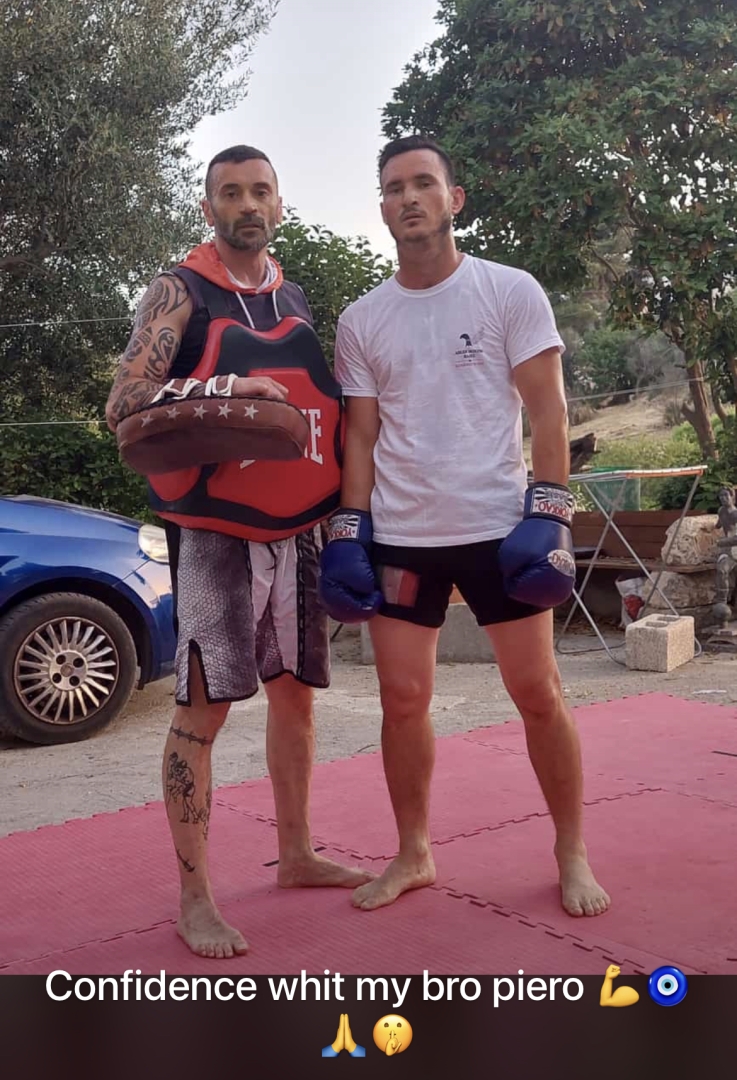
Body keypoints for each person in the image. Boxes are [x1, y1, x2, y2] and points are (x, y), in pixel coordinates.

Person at [318, 135, 610, 918]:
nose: (407, 197)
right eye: (393, 188)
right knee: (401, 698)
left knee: (537, 692)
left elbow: (548, 411)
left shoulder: (507, 290)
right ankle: (413, 853)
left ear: (453, 199)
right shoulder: (362, 318)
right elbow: (360, 436)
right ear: (382, 208)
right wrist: (349, 528)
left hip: (496, 528)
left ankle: (570, 850)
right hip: (402, 534)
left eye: (422, 183)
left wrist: (548, 509)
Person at [106, 145, 372, 959]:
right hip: (214, 532)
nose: (247, 204)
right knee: (201, 711)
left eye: (260, 191)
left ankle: (295, 853)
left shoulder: (291, 295)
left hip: (299, 529)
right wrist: (224, 389)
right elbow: (123, 399)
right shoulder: (178, 291)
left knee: (296, 698)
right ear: (208, 208)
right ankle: (195, 898)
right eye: (230, 192)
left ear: (279, 205)